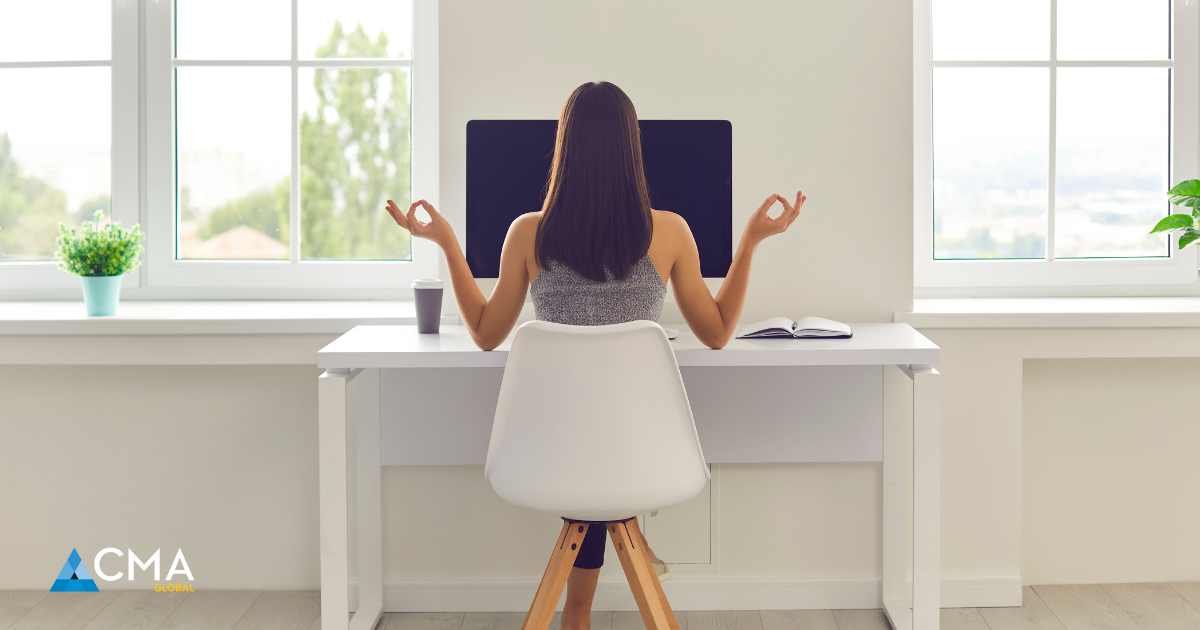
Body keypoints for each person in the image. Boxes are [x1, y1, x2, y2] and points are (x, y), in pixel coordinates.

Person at [385, 81, 804, 630]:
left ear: (565, 148)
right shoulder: (671, 232)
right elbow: (719, 331)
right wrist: (748, 243)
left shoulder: (527, 234)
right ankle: (625, 531)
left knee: (588, 465)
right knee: (608, 463)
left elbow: (487, 333)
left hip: (555, 449)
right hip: (638, 451)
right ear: (633, 149)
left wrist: (446, 245)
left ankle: (578, 609)